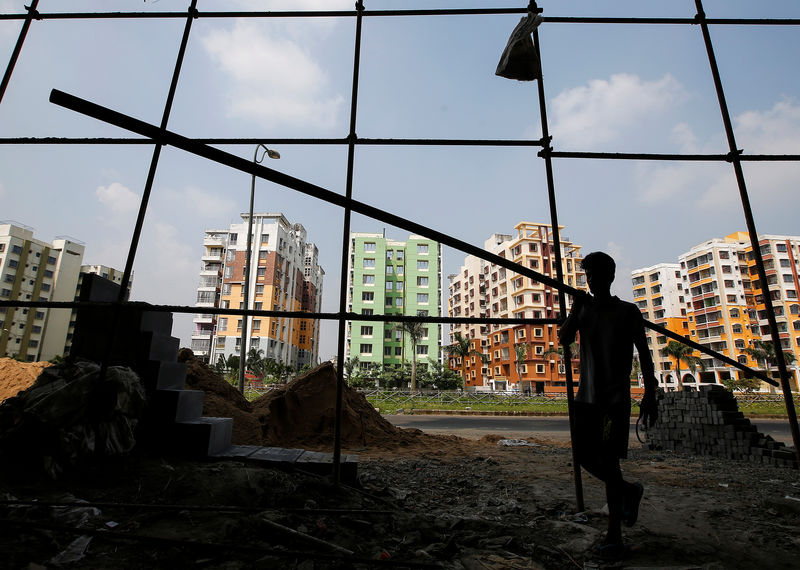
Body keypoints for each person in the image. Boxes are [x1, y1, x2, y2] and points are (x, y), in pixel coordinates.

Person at [559, 251, 658, 561]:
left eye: (597, 277)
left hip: (615, 397)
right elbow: (563, 338)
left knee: (610, 461)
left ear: (611, 277)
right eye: (588, 277)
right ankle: (629, 491)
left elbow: (644, 353)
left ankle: (614, 534)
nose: (592, 282)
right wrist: (575, 309)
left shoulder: (628, 311)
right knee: (584, 456)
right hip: (585, 396)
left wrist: (650, 393)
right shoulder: (584, 310)